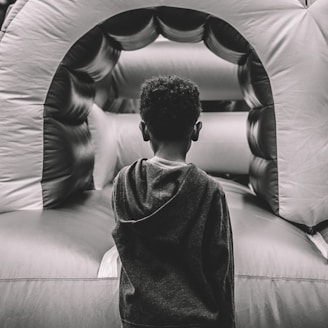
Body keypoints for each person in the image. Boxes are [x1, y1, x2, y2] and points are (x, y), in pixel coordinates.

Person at [112, 75, 235, 328]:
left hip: (138, 318)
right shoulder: (210, 191)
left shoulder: (124, 182)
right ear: (196, 130)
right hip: (198, 319)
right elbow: (220, 268)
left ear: (144, 130)